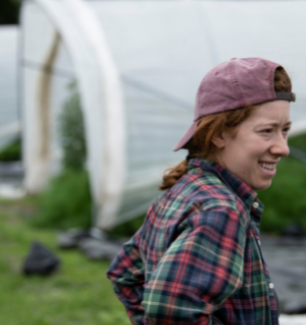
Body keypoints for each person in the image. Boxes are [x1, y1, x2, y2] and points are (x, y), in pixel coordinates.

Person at [107, 57, 295, 324]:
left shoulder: (184, 190)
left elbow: (126, 274)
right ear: (218, 134)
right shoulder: (220, 210)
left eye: (285, 131)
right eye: (267, 131)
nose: (283, 148)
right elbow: (171, 313)